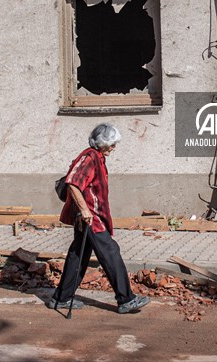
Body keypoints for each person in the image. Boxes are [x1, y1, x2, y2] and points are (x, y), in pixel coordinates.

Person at [48, 123, 149, 314]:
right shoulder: (90, 158)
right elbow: (73, 184)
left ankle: (61, 298)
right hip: (90, 217)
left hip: (89, 215)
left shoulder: (97, 157)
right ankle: (126, 299)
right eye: (111, 144)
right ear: (102, 143)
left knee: (78, 255)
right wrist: (85, 211)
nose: (114, 148)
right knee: (110, 251)